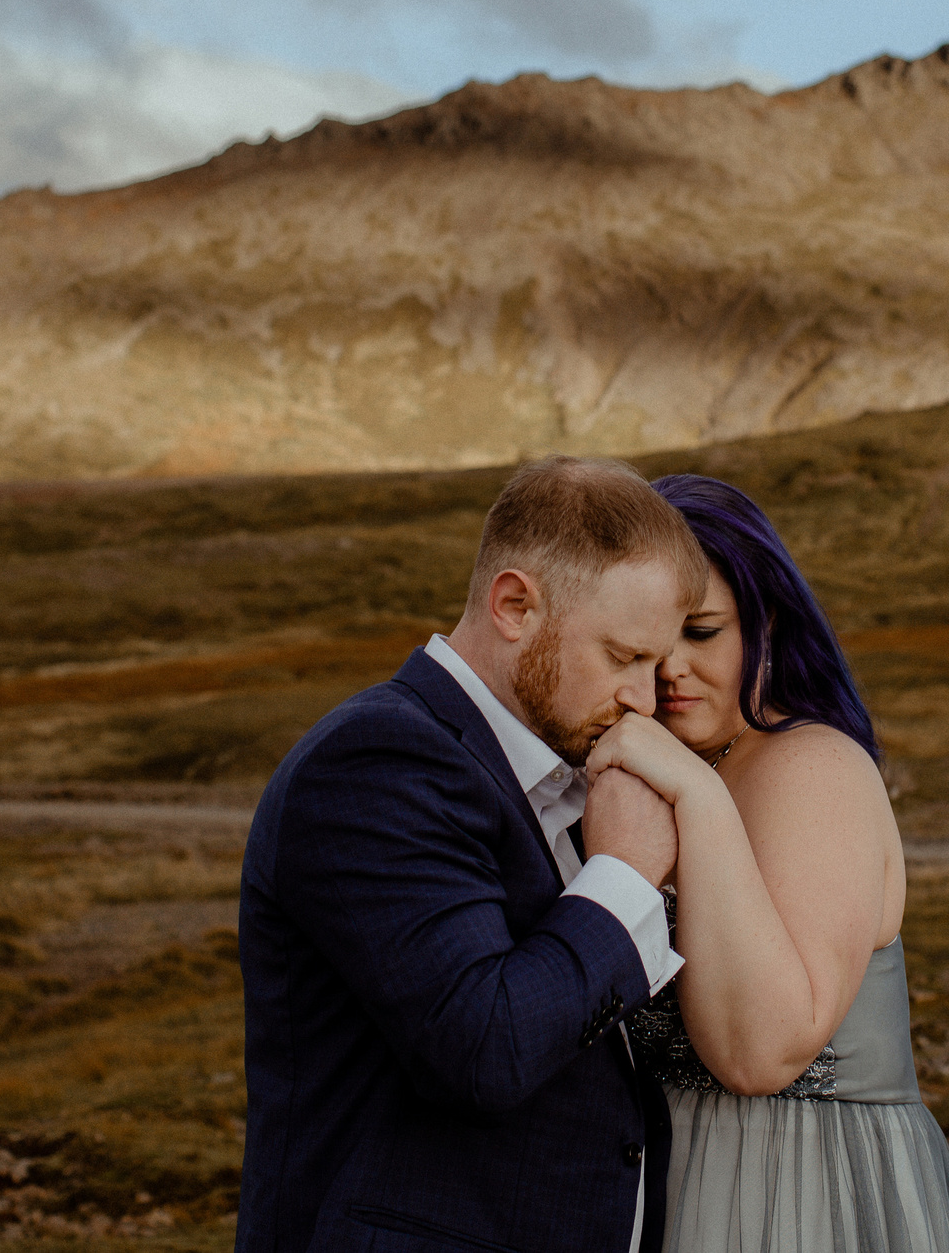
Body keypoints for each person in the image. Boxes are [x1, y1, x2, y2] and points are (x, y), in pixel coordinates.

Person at [237, 455, 708, 1253]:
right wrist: (623, 876)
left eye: (655, 666)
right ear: (515, 605)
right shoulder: (377, 760)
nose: (644, 697)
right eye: (623, 656)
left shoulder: (564, 780)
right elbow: (484, 1047)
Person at [589, 473, 949, 1252]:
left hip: (808, 1193)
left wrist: (698, 795)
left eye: (701, 632)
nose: (669, 668)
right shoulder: (638, 773)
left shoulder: (812, 767)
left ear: (766, 623)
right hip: (657, 1184)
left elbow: (760, 1049)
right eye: (648, 638)